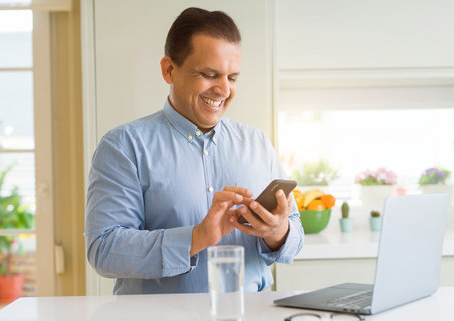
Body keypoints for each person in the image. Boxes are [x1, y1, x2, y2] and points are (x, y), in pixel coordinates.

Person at [84, 7, 304, 294]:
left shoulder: (257, 143)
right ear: (169, 70)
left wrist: (278, 232)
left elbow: (295, 233)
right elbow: (104, 250)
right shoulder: (124, 146)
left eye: (232, 77)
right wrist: (196, 237)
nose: (224, 90)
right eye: (210, 74)